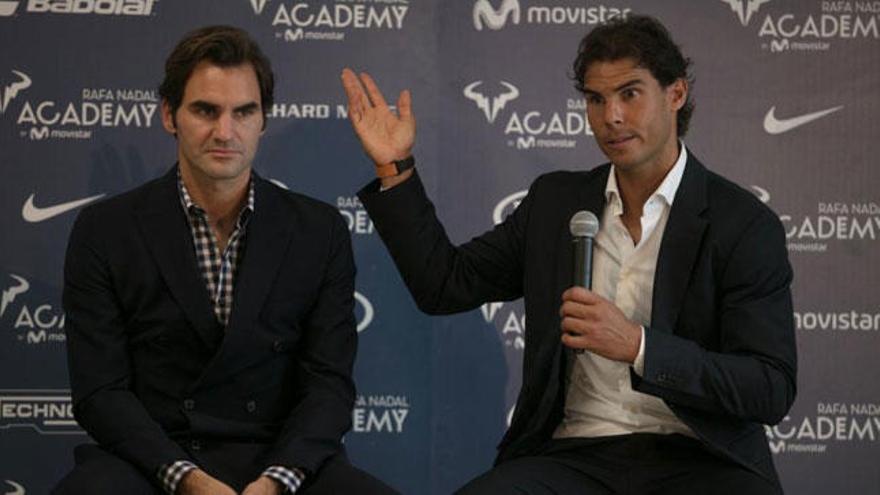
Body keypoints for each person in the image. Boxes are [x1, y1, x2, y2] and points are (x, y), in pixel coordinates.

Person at [342, 14, 796, 494]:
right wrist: (394, 168)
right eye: (596, 99)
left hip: (701, 459)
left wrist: (639, 347)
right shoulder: (556, 204)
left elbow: (768, 388)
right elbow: (443, 284)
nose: (611, 117)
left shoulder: (742, 223)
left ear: (675, 94)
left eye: (630, 94)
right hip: (575, 457)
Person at [55, 25, 397, 495]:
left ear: (263, 120)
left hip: (277, 460)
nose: (225, 131)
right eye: (205, 110)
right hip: (152, 462)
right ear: (169, 116)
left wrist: (277, 481)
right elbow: (101, 393)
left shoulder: (319, 231)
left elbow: (328, 389)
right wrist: (187, 480)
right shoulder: (105, 230)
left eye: (243, 112)